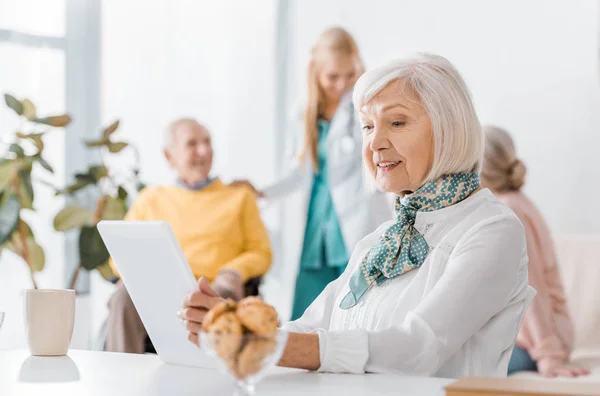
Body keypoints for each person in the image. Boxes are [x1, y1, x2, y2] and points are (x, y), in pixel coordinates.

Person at [180, 54, 535, 378]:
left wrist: (263, 343)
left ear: (448, 128)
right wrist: (232, 328)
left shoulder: (492, 229)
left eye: (396, 122)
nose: (375, 143)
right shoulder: (380, 239)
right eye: (367, 126)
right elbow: (312, 328)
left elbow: (417, 349)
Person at [236, 27, 390, 321]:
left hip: (355, 215)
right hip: (314, 224)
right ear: (316, 71)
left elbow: (375, 160)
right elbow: (299, 173)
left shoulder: (365, 107)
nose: (342, 84)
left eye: (349, 75)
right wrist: (261, 192)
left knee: (355, 305)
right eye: (333, 76)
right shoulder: (303, 112)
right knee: (307, 311)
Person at [106, 118, 272, 353]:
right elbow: (120, 254)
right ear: (169, 156)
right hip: (159, 290)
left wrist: (233, 272)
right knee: (123, 296)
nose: (203, 151)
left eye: (207, 142)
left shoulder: (239, 197)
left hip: (214, 287)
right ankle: (120, 379)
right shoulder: (150, 199)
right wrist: (136, 275)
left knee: (218, 298)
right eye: (192, 144)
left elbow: (261, 251)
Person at [481, 125, 589, 378]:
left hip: (537, 343)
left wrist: (548, 356)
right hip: (528, 339)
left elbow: (531, 287)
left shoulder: (511, 211)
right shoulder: (509, 203)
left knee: (458, 366)